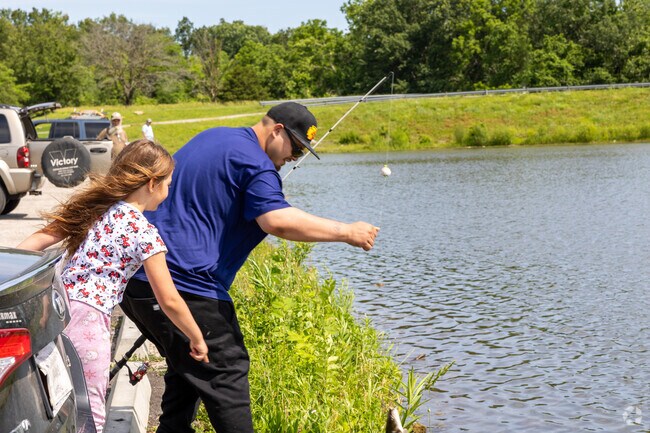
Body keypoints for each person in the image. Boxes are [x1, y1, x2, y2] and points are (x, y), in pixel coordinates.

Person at [120, 102, 379, 433]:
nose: (294, 157)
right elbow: (276, 220)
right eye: (296, 148)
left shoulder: (215, 138)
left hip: (137, 283)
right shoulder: (256, 164)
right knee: (227, 369)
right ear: (277, 131)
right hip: (181, 285)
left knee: (189, 368)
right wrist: (347, 232)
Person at [17, 140, 209, 433]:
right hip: (88, 321)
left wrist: (11, 277)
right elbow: (169, 299)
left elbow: (39, 239)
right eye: (168, 184)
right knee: (89, 407)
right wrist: (196, 337)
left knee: (54, 397)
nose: (168, 192)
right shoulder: (145, 234)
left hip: (54, 309)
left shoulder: (96, 209)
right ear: (152, 183)